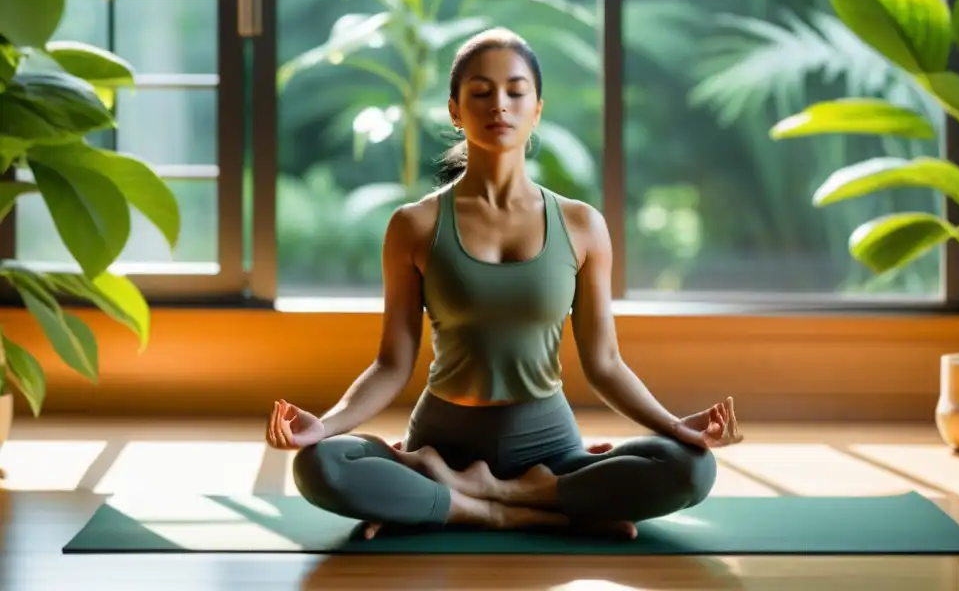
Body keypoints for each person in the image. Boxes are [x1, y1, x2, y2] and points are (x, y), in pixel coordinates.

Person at [265, 27, 743, 540]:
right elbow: (392, 363)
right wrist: (325, 426)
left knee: (692, 467)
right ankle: (504, 509)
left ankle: (488, 497)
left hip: (549, 450)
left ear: (537, 108)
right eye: (480, 92)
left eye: (516, 91)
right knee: (318, 466)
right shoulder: (415, 225)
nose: (500, 105)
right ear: (454, 109)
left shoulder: (582, 225)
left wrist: (675, 427)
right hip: (440, 447)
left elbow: (604, 363)